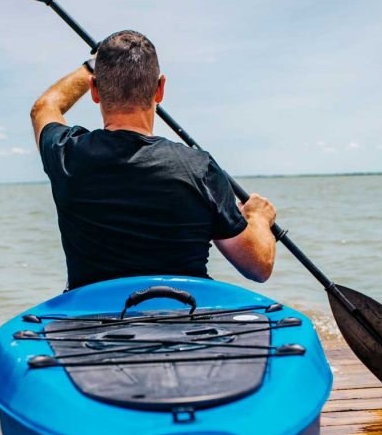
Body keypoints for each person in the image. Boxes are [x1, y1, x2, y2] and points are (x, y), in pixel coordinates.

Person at [30, 29, 278, 290]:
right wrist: (258, 218)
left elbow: (45, 107)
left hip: (94, 322)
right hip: (184, 321)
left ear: (94, 90)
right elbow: (257, 266)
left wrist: (90, 66)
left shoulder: (66, 154)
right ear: (160, 89)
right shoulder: (200, 168)